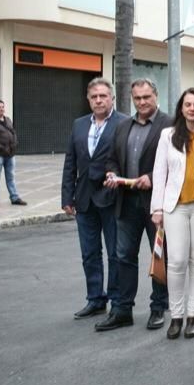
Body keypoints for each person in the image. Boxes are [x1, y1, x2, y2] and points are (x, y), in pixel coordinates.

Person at [95, 79, 172, 332]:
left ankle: (158, 307)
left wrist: (152, 176)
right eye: (137, 98)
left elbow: (178, 163)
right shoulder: (122, 126)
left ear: (155, 96)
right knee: (123, 256)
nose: (142, 102)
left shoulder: (169, 124)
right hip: (126, 202)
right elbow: (112, 159)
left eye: (146, 97)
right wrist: (112, 174)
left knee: (158, 256)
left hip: (156, 204)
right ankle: (122, 310)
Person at [150, 88, 194, 340]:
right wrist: (156, 207)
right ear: (181, 108)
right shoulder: (168, 135)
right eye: (187, 104)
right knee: (176, 261)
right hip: (174, 207)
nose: (192, 109)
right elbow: (159, 173)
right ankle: (176, 316)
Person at [61, 78, 128, 319]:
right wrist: (67, 196)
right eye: (94, 97)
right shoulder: (79, 124)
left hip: (112, 196)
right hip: (84, 199)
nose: (98, 100)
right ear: (88, 100)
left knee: (114, 253)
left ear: (112, 98)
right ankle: (95, 299)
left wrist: (119, 177)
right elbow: (71, 161)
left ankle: (117, 300)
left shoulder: (124, 123)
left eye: (103, 96)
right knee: (89, 253)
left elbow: (127, 158)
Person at [0, 99, 26, 207]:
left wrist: (14, 144)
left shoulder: (8, 120)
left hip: (10, 155)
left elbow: (13, 132)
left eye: (2, 107)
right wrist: (2, 148)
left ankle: (14, 197)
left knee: (11, 177)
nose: (1, 109)